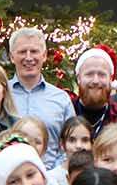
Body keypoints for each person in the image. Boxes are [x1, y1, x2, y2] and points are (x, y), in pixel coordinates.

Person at [6, 27, 73, 167]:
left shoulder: (61, 99)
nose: (29, 57)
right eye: (22, 52)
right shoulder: (1, 94)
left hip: (51, 180)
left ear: (44, 56)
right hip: (7, 179)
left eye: (34, 51)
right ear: (12, 57)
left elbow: (70, 144)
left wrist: (54, 176)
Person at [71, 45, 117, 139]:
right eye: (89, 74)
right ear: (78, 78)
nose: (95, 81)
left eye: (102, 75)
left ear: (110, 79)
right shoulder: (64, 113)